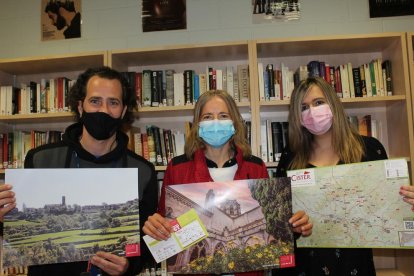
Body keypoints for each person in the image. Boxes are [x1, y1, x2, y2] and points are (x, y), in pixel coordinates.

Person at [0, 66, 158, 275]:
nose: (103, 110)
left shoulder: (143, 171)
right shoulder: (41, 160)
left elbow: (146, 243)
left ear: (124, 110)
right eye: (95, 101)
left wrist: (128, 267)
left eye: (113, 102)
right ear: (80, 106)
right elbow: (20, 237)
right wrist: (4, 219)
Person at [142, 90, 313, 273]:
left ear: (235, 122)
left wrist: (292, 226)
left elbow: (270, 215)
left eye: (223, 115)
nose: (216, 122)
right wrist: (155, 227)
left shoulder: (255, 167)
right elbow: (164, 221)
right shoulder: (177, 168)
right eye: (207, 116)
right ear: (198, 124)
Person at [275, 77, 414, 275]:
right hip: (306, 267)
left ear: (333, 104)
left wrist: (406, 204)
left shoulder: (369, 149)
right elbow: (280, 222)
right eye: (303, 107)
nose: (312, 112)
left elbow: (389, 210)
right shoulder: (291, 156)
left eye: (318, 102)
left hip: (354, 266)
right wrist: (292, 225)